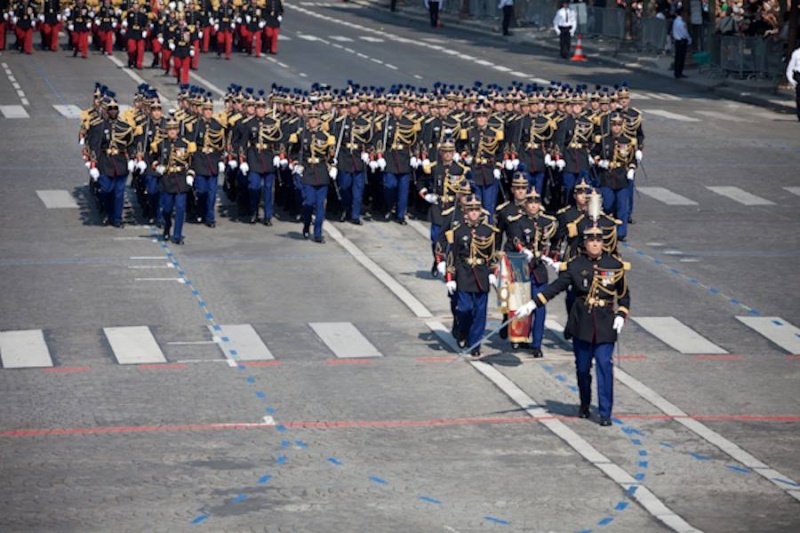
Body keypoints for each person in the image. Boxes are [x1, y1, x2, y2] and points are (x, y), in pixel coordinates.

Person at [516, 226, 630, 426]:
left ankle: (605, 412)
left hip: (605, 322)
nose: (595, 244)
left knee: (604, 364)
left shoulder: (614, 265)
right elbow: (556, 287)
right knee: (582, 368)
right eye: (590, 241)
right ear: (584, 244)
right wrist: (534, 303)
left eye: (598, 241)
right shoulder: (576, 265)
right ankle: (584, 403)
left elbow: (623, 295)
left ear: (603, 243)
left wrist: (621, 314)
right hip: (583, 323)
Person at [444, 194, 499, 357]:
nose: (474, 213)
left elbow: (493, 255)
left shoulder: (489, 231)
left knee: (480, 312)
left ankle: (475, 344)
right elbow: (451, 256)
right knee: (465, 309)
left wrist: (492, 273)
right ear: (465, 213)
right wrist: (450, 278)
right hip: (464, 274)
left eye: (476, 210)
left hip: (481, 275)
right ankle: (462, 331)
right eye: (471, 210)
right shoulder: (458, 231)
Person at [507, 188, 557, 357]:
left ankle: (537, 344)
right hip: (522, 267)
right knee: (519, 305)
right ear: (525, 205)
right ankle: (518, 338)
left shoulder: (547, 222)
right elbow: (515, 239)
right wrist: (523, 249)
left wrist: (552, 258)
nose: (533, 206)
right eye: (530, 203)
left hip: (539, 270)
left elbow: (553, 242)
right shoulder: (518, 221)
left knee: (539, 306)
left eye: (536, 203)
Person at [86, 95, 136, 227]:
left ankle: (117, 219)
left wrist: (131, 158)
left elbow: (131, 144)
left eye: (115, 108)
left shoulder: (125, 126)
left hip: (120, 163)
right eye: (111, 109)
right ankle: (107, 212)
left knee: (119, 192)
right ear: (107, 111)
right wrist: (93, 165)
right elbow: (95, 146)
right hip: (105, 161)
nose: (113, 111)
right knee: (106, 190)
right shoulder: (100, 126)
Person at [291, 108, 335, 243]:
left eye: (316, 118)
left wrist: (333, 166)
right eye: (311, 119)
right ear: (307, 121)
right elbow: (293, 151)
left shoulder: (327, 137)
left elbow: (330, 155)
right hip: (308, 172)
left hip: (322, 171)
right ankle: (306, 224)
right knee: (309, 202)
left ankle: (317, 233)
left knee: (320, 205)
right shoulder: (301, 135)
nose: (313, 121)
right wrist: (296, 163)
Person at [154, 117, 196, 244]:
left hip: (180, 179)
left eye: (174, 129)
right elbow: (153, 159)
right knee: (166, 209)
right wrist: (157, 167)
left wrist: (190, 174)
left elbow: (192, 161)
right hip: (167, 179)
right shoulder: (161, 144)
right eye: (169, 129)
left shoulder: (185, 144)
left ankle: (177, 235)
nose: (172, 131)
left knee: (180, 207)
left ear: (178, 130)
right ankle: (167, 227)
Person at [190, 96, 227, 227]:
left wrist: (222, 158)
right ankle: (200, 211)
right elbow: (192, 145)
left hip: (212, 160)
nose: (208, 112)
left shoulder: (217, 125)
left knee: (212, 192)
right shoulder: (196, 125)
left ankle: (210, 217)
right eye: (206, 110)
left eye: (210, 110)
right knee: (201, 191)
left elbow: (221, 143)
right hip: (200, 161)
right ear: (202, 110)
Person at [672, 7, 691, 79]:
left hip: (677, 40)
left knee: (677, 57)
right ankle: (679, 72)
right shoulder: (682, 23)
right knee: (681, 58)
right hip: (682, 41)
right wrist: (689, 39)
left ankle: (676, 72)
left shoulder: (675, 21)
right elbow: (685, 33)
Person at [786, 43, 800, 122]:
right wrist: (790, 79)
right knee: (799, 97)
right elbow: (790, 67)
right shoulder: (796, 53)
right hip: (799, 74)